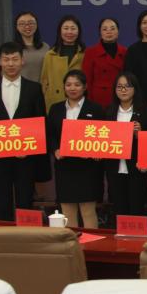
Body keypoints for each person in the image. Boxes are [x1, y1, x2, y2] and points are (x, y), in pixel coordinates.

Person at [0, 42, 46, 221]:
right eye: (6, 59)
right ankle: (3, 234)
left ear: (22, 61)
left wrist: (32, 148)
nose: (10, 64)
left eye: (14, 59)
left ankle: (28, 234)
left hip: (26, 157)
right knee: (2, 200)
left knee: (25, 201)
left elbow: (41, 121)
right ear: (0, 61)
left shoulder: (34, 88)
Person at [47, 69, 104, 229]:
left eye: (77, 85)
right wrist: (55, 149)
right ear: (64, 87)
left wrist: (97, 151)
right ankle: (70, 242)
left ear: (85, 87)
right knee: (67, 210)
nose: (72, 88)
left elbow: (104, 135)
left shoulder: (96, 109)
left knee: (88, 210)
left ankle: (91, 242)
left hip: (88, 167)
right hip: (65, 166)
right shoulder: (55, 109)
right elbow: (50, 134)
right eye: (68, 84)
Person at [104, 72, 147, 219]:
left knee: (137, 209)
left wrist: (140, 134)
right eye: (119, 87)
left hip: (136, 167)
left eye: (127, 86)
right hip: (114, 167)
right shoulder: (108, 111)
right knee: (119, 209)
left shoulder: (145, 111)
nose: (123, 90)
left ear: (135, 89)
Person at [40, 15, 85, 113]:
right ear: (60, 31)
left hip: (79, 101)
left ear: (78, 31)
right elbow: (44, 81)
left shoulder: (85, 54)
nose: (69, 32)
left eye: (73, 28)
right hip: (55, 101)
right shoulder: (50, 55)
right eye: (66, 28)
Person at [82, 17, 127, 109]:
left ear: (118, 32)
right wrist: (89, 102)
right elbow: (87, 80)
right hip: (98, 99)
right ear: (100, 33)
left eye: (112, 28)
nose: (109, 32)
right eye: (105, 29)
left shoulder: (125, 52)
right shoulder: (90, 52)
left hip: (121, 97)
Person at [13, 11, 49, 83]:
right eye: (22, 24)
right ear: (17, 27)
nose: (27, 26)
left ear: (36, 25)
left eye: (31, 23)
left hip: (41, 88)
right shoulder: (12, 48)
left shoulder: (45, 47)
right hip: (20, 88)